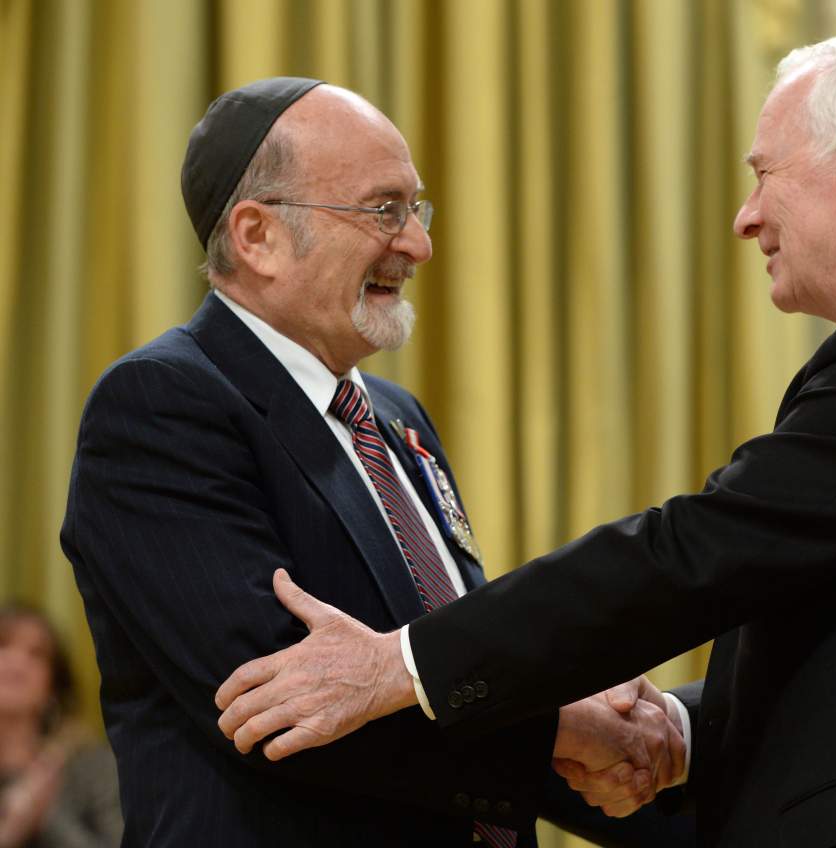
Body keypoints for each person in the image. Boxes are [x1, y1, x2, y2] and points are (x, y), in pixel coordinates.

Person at [216, 34, 836, 847]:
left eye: (763, 174)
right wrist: (675, 730)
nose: (747, 217)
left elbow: (697, 551)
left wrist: (405, 662)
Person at [60, 77, 689, 847]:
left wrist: (621, 752)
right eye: (382, 210)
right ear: (257, 236)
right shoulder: (162, 405)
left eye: (415, 209)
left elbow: (448, 665)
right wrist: (566, 730)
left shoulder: (397, 418)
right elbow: (281, 703)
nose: (418, 243)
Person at [0, 605, 122, 848]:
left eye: (37, 654)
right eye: (2, 645)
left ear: (53, 689)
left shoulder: (93, 769)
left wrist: (46, 816)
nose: (17, 662)